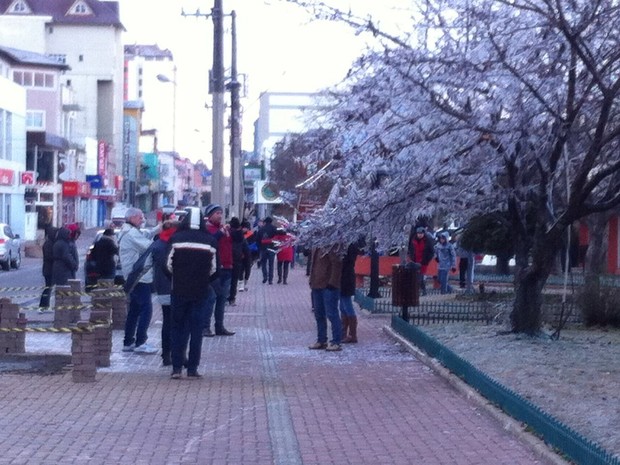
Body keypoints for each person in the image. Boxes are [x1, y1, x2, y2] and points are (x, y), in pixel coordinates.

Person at [166, 207, 217, 379]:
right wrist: (203, 279)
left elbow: (168, 265)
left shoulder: (176, 238)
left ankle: (176, 368)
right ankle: (193, 369)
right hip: (200, 290)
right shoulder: (209, 240)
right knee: (196, 330)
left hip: (179, 289)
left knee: (177, 328)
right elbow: (215, 268)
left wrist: (178, 277)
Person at [118, 207, 159, 354]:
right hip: (140, 277)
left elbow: (146, 234)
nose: (142, 220)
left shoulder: (129, 231)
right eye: (140, 217)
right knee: (146, 310)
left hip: (134, 278)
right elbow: (149, 246)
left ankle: (128, 342)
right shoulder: (130, 234)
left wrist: (158, 228)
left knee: (134, 311)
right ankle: (141, 342)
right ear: (133, 218)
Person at [203, 204, 235, 337]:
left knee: (222, 298)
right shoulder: (207, 229)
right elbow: (210, 242)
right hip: (214, 269)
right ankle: (205, 326)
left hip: (227, 267)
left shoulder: (222, 229)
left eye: (221, 213)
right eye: (217, 213)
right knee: (211, 298)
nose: (220, 216)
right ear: (210, 215)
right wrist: (220, 233)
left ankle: (219, 326)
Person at [152, 219, 178, 367]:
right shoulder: (171, 245)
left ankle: (166, 354)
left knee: (167, 321)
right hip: (174, 288)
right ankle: (173, 354)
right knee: (176, 323)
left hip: (162, 288)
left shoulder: (158, 243)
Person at [308, 246, 343, 351]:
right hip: (316, 284)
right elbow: (313, 264)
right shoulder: (316, 245)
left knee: (332, 314)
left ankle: (336, 341)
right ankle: (321, 340)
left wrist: (332, 282)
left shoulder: (331, 244)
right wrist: (312, 280)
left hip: (328, 286)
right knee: (319, 314)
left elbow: (337, 264)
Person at [340, 240, 362, 343]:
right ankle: (344, 333)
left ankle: (352, 334)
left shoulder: (350, 246)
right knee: (343, 306)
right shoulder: (350, 245)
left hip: (346, 278)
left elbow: (346, 261)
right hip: (345, 278)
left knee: (346, 305)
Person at [406, 226, 435, 295]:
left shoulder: (427, 241)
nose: (420, 235)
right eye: (418, 233)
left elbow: (431, 252)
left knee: (420, 277)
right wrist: (410, 256)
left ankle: (421, 290)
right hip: (414, 261)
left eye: (421, 233)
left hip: (423, 262)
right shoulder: (413, 239)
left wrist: (427, 260)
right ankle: (417, 290)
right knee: (415, 276)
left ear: (423, 234)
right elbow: (410, 249)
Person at [228, 217, 249, 305]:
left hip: (227, 260)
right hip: (237, 260)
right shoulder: (242, 237)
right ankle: (232, 298)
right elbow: (246, 251)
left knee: (226, 280)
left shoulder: (227, 235)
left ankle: (224, 297)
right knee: (234, 281)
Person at [39, 225, 58, 310]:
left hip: (49, 269)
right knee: (48, 288)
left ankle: (45, 304)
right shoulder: (48, 244)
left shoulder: (50, 243)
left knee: (49, 288)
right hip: (48, 269)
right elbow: (48, 256)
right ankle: (43, 305)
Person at [257, 217, 277, 284]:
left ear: (265, 222)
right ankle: (270, 279)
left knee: (263, 264)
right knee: (271, 265)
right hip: (272, 248)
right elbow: (277, 239)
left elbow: (257, 239)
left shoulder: (261, 229)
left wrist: (259, 248)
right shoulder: (275, 229)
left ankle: (265, 277)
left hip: (263, 248)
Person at [238, 219, 255, 292]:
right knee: (240, 270)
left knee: (248, 270)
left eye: (246, 228)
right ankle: (241, 285)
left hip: (249, 255)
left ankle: (245, 283)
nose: (245, 229)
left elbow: (254, 245)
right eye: (243, 227)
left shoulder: (252, 235)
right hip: (240, 255)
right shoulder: (238, 235)